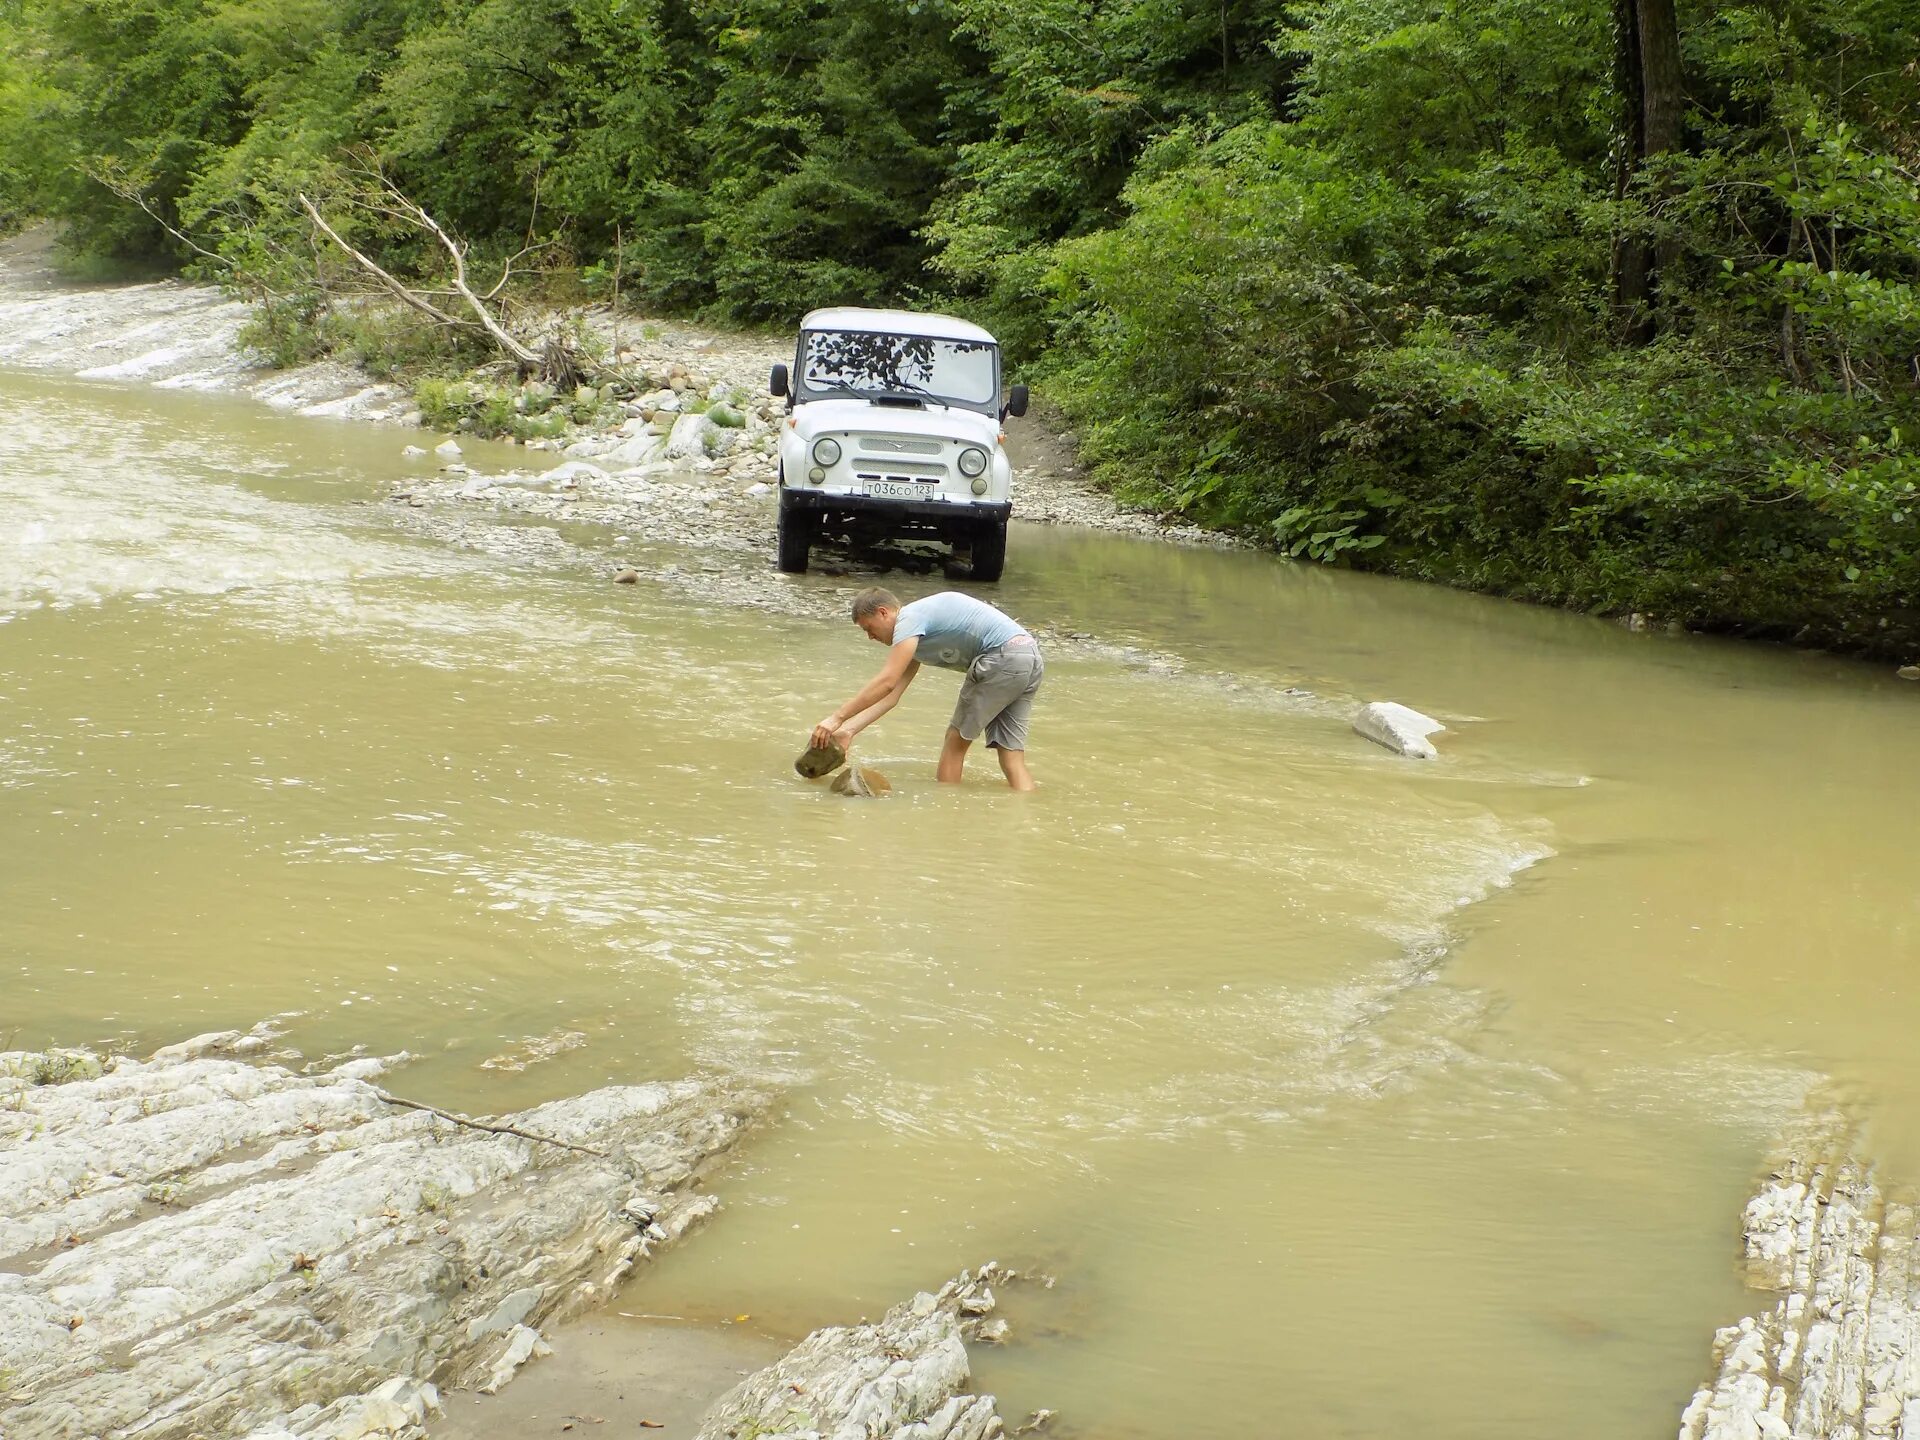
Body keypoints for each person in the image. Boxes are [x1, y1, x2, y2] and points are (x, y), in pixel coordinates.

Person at [810, 587, 1043, 791]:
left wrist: (835, 718)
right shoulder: (916, 635)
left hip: (1002, 657)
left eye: (868, 628)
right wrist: (849, 730)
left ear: (883, 612)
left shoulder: (909, 619)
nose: (870, 637)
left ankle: (945, 819)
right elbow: (892, 696)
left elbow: (887, 681)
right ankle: (1026, 815)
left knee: (955, 743)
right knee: (1010, 755)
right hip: (1028, 656)